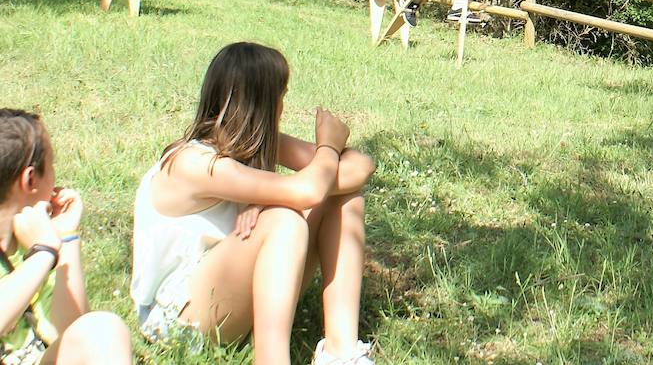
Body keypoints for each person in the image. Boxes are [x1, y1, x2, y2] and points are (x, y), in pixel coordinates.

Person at [131, 43, 377, 364]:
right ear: (263, 103)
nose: (283, 107)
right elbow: (310, 190)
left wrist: (270, 199)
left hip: (223, 301)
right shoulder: (192, 163)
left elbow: (359, 168)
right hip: (176, 318)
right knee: (286, 220)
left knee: (341, 196)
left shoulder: (253, 144)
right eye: (281, 95)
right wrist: (328, 146)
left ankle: (340, 352)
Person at [0, 108, 133, 365]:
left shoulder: (33, 237)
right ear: (30, 179)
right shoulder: (39, 247)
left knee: (103, 329)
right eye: (52, 166)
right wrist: (42, 254)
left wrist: (66, 236)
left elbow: (74, 330)